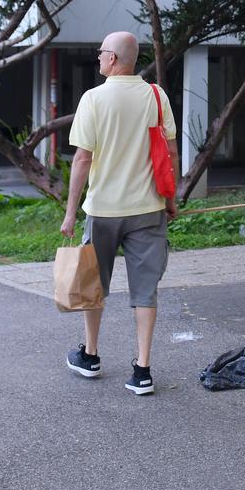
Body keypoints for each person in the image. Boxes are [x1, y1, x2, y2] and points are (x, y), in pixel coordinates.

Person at [60, 31, 178, 394]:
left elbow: (82, 159)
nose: (97, 59)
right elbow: (170, 153)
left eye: (100, 53)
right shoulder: (156, 96)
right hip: (148, 209)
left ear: (112, 58)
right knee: (146, 291)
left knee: (92, 286)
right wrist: (172, 200)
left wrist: (69, 213)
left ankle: (91, 355)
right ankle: (142, 370)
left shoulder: (93, 99)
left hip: (104, 211)